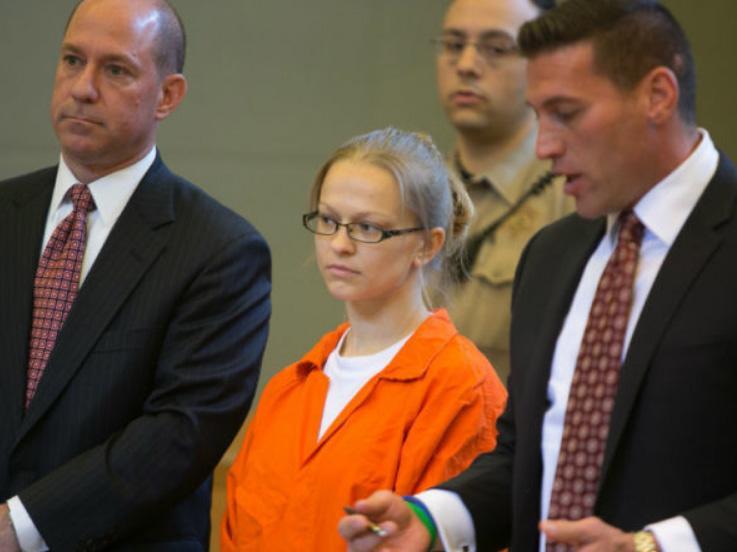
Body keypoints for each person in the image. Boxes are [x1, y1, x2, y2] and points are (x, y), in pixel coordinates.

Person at [339, 1, 737, 551]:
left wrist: (654, 546)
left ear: (657, 96)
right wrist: (436, 517)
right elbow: (525, 454)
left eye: (566, 113)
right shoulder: (552, 254)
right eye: (538, 114)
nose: (545, 145)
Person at [0, 0, 271, 550]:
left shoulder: (221, 250)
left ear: (168, 96)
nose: (82, 87)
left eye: (115, 69)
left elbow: (178, 434)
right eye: (72, 60)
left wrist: (18, 526)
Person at [221, 128, 507, 551]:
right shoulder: (290, 389)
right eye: (329, 220)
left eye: (368, 228)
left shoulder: (460, 388)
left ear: (428, 245)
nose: (339, 244)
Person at [434, 0, 573, 381]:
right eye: (453, 44)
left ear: (547, 63)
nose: (465, 65)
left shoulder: (575, 195)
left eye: (496, 49)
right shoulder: (413, 190)